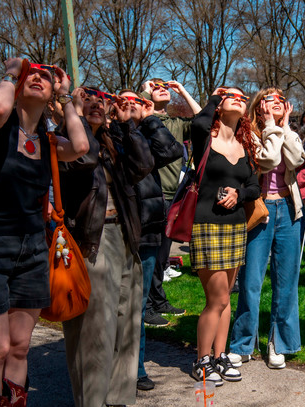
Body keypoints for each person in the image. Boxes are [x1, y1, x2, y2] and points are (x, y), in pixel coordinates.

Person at [0, 58, 89, 407]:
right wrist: (12, 71)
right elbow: (0, 106)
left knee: (18, 348)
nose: (38, 77)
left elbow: (81, 146)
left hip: (33, 249)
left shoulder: (49, 141)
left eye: (45, 77)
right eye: (31, 74)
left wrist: (65, 98)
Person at [61, 87, 154, 407]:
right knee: (94, 335)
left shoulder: (112, 142)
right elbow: (83, 158)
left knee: (125, 328)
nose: (98, 103)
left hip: (125, 240)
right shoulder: (66, 142)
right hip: (91, 243)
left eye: (102, 99)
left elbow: (144, 165)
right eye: (87, 98)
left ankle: (116, 399)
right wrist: (74, 114)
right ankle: (92, 402)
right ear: (72, 107)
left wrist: (127, 125)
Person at [229, 88, 305, 370]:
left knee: (286, 282)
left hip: (288, 208)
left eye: (280, 102)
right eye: (269, 101)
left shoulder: (286, 129)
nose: (275, 105)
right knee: (251, 281)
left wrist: (283, 126)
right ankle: (243, 343)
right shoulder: (248, 133)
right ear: (259, 106)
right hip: (259, 209)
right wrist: (272, 126)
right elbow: (270, 160)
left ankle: (279, 343)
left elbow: (296, 159)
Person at [190, 87, 260, 386]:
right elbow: (197, 123)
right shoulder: (205, 139)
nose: (239, 99)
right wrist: (214, 98)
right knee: (216, 299)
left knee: (226, 298)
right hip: (206, 225)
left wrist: (239, 193)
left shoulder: (244, 146)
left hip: (235, 227)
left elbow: (255, 188)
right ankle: (202, 360)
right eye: (231, 96)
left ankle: (220, 356)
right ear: (219, 106)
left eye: (242, 97)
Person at [118, 90, 184, 391]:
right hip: (115, 230)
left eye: (137, 101)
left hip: (146, 229)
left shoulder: (146, 133)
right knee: (115, 305)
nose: (132, 105)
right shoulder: (108, 134)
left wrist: (148, 119)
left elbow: (172, 152)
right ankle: (113, 366)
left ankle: (137, 367)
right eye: (125, 100)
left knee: (138, 304)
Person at [140, 79, 201, 327]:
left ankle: (158, 299)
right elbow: (128, 108)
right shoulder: (141, 121)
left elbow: (202, 118)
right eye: (155, 87)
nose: (161, 88)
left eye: (164, 87)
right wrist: (144, 90)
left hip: (171, 195)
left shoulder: (176, 123)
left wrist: (183, 91)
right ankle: (146, 307)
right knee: (149, 254)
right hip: (149, 194)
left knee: (163, 254)